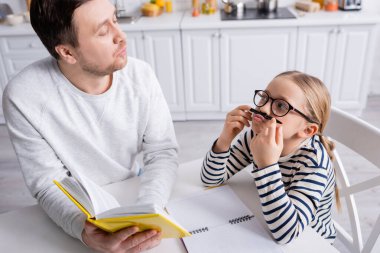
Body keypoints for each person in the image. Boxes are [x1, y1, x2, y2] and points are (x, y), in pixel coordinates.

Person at [2, 0, 178, 252]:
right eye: (103, 31)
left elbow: (161, 151)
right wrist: (82, 230)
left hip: (132, 186)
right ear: (67, 53)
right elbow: (46, 182)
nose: (121, 37)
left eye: (115, 20)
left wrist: (149, 210)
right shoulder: (23, 96)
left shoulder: (142, 76)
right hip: (79, 207)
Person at [201, 71, 339, 244]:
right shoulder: (255, 136)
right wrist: (224, 139)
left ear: (307, 130)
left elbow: (286, 234)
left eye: (281, 106)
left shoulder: (314, 164)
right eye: (264, 98)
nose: (263, 108)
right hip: (266, 219)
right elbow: (210, 179)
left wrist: (267, 165)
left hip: (310, 239)